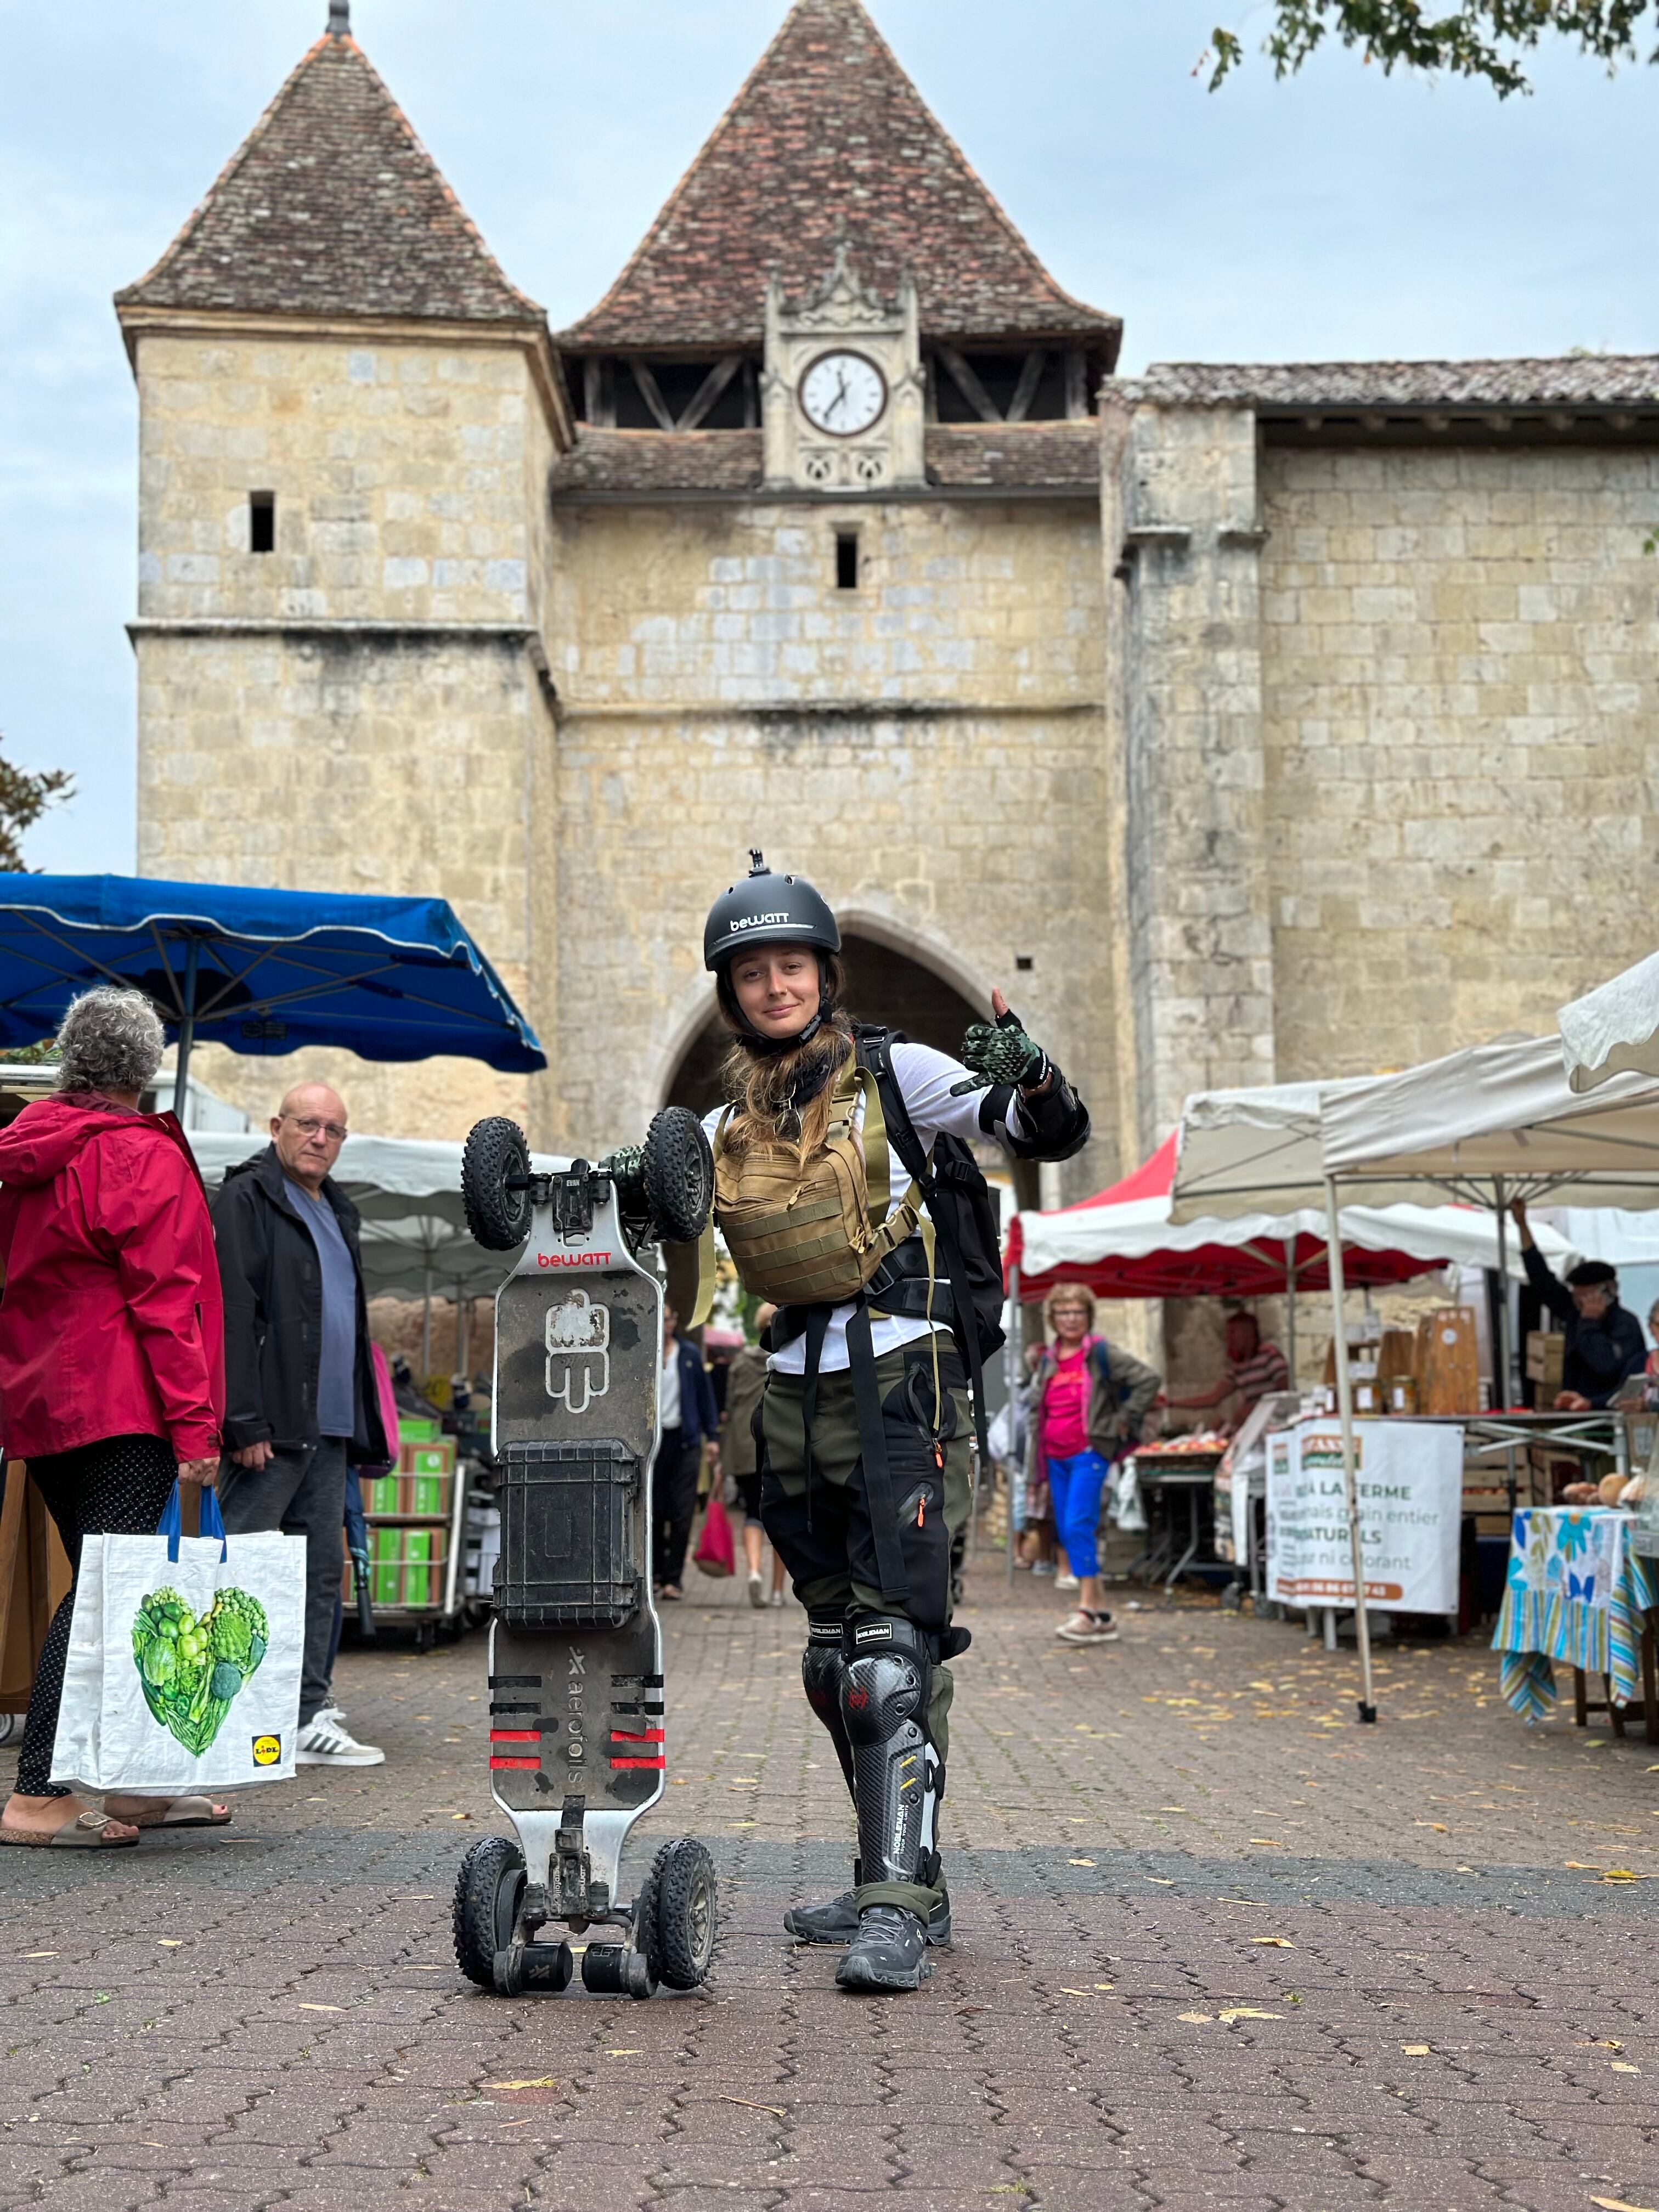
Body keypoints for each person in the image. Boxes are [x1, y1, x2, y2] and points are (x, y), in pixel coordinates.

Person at [678, 852, 1090, 1993]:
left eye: (792, 966)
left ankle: (901, 1909)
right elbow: (673, 1228)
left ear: (825, 973)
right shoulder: (726, 1125)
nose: (775, 987)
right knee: (831, 1663)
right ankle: (890, 1874)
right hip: (792, 1389)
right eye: (753, 972)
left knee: (890, 1662)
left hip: (905, 1380)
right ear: (733, 992)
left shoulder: (894, 1075)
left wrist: (1036, 1074)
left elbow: (1035, 1127)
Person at [0, 988, 229, 1848]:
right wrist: (197, 1428)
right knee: (103, 1593)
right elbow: (168, 1306)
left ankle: (135, 1783)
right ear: (148, 1068)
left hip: (40, 1398)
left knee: (116, 1585)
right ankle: (38, 1792)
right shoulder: (138, 1156)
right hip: (123, 1400)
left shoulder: (26, 1151)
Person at [213, 1081, 388, 1767]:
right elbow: (232, 1310)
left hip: (330, 1428)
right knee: (243, 1573)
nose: (320, 1138)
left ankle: (308, 1713)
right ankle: (224, 1710)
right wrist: (243, 1420)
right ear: (277, 1126)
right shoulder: (248, 1199)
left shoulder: (338, 1209)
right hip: (272, 1429)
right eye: (308, 1124)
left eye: (334, 1130)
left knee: (320, 1574)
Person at [1025, 1283, 1161, 1644]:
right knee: (1068, 1529)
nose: (1071, 1319)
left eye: (1078, 1312)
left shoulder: (1099, 1353)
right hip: (1054, 1456)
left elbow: (1148, 1380)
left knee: (1076, 1527)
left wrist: (1122, 1420)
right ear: (1053, 1318)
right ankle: (1102, 1614)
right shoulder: (1049, 1359)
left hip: (1089, 1453)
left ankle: (1085, 1612)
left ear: (1089, 1316)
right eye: (1063, 1312)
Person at [1510, 1200, 1646, 1409]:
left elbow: (1605, 1364)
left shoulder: (1626, 1324)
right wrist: (1522, 1225)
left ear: (1608, 1290)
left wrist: (1591, 1324)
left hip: (1609, 1416)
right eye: (1577, 1295)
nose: (1581, 1302)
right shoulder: (1575, 1314)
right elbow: (1542, 1280)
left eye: (1587, 1295)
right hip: (1573, 1410)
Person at [651, 1302, 719, 1601]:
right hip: (654, 1444)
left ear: (674, 1321)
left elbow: (706, 1399)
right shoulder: (645, 1357)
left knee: (682, 1512)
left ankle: (673, 1579)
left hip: (685, 1441)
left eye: (668, 1319)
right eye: (659, 1320)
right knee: (654, 1511)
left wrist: (712, 1437)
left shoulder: (689, 1355)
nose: (664, 1325)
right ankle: (655, 1573)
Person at [723, 1304, 786, 1608]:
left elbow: (730, 1404)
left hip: (744, 1447)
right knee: (785, 1514)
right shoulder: (785, 1358)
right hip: (779, 1445)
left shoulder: (739, 1363)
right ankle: (777, 1592)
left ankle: (753, 1572)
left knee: (752, 1511)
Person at [1167, 1309, 1290, 1431]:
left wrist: (1257, 1408)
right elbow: (1213, 1398)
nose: (1229, 1339)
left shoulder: (1269, 1355)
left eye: (1233, 1333)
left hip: (1275, 1424)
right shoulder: (1238, 1368)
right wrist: (1171, 1403)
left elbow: (1286, 1393)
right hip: (1252, 1427)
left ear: (1248, 1333)